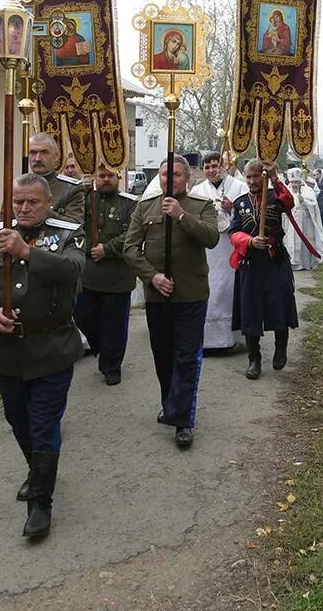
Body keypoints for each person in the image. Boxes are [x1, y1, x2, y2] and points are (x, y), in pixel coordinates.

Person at [0, 173, 85, 538]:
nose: (25, 208)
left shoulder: (67, 234)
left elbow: (74, 270)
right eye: (18, 202)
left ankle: (40, 504)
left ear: (48, 203)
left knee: (44, 424)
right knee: (18, 420)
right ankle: (38, 471)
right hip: (8, 352)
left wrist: (27, 252)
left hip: (52, 350)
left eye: (32, 201)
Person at [123, 156, 219, 448]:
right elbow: (130, 249)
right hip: (157, 295)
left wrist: (180, 215)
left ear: (187, 178)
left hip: (191, 294)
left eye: (176, 175)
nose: (169, 180)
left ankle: (182, 421)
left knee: (187, 358)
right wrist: (152, 277)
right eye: (165, 175)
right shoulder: (145, 207)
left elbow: (211, 238)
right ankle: (170, 403)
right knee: (163, 356)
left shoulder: (201, 206)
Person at [228, 160, 300, 379]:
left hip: (275, 261)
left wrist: (276, 178)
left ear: (263, 176)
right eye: (248, 177)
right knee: (250, 310)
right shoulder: (240, 203)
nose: (251, 181)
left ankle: (280, 347)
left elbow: (289, 203)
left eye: (255, 176)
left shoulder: (275, 197)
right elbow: (233, 232)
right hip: (250, 263)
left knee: (279, 304)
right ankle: (254, 358)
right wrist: (249, 241)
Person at [74, 166, 137, 385]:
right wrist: (79, 192)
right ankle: (101, 348)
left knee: (115, 324)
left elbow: (131, 235)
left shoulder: (129, 204)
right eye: (102, 176)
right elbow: (71, 225)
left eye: (111, 176)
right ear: (95, 179)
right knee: (82, 315)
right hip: (88, 273)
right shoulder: (84, 201)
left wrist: (107, 249)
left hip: (117, 274)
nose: (106, 180)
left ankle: (112, 366)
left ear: (118, 178)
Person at [187, 152, 250, 350]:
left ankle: (234, 337)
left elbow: (249, 214)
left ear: (223, 166)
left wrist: (232, 208)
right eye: (207, 167)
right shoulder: (197, 190)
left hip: (231, 246)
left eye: (215, 166)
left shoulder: (238, 186)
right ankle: (210, 340)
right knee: (211, 288)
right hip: (208, 248)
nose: (212, 170)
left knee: (230, 288)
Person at [27, 132, 86, 223]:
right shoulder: (18, 188)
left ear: (56, 156)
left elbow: (74, 225)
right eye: (33, 152)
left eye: (44, 152)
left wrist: (47, 213)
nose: (37, 158)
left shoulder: (71, 189)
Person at [283, 168, 323, 270]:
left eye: (296, 182)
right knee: (291, 241)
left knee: (304, 241)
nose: (294, 184)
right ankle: (293, 263)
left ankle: (304, 263)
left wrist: (304, 201)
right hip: (291, 221)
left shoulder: (307, 190)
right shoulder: (286, 191)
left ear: (300, 182)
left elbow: (314, 206)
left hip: (304, 221)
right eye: (292, 182)